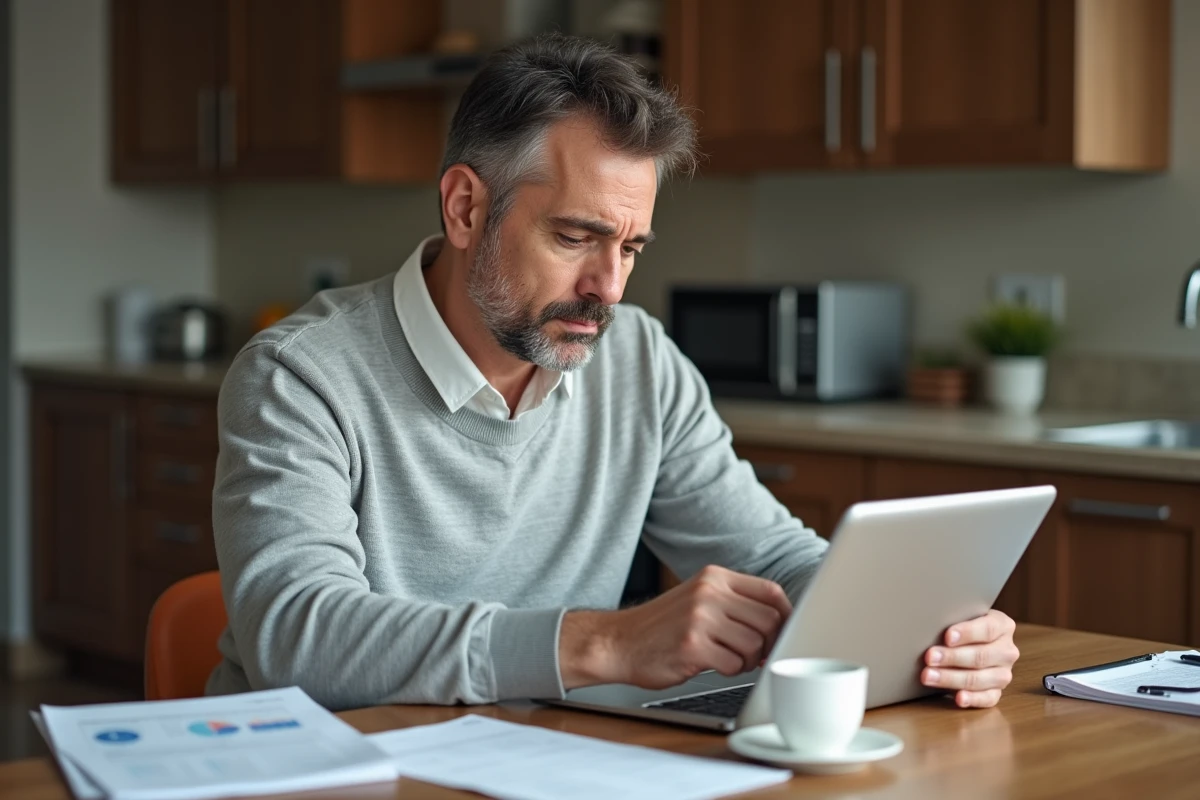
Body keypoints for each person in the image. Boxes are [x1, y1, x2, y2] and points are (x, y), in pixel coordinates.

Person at [207, 34, 1019, 711]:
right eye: (574, 237)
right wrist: (603, 641)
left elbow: (773, 558)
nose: (610, 289)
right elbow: (298, 637)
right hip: (323, 769)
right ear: (463, 208)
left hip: (544, 760)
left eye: (630, 247)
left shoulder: (638, 360)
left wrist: (932, 633)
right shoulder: (300, 374)